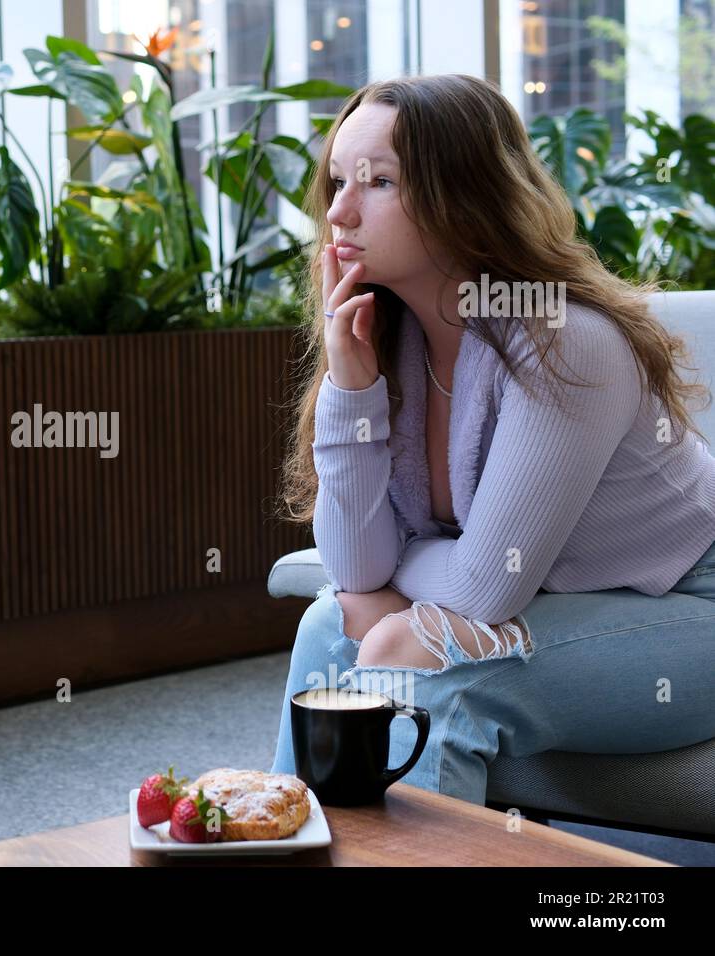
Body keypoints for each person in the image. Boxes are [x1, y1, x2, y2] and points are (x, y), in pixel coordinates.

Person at [268, 73, 715, 806]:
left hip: (694, 610)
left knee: (435, 663)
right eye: (338, 180)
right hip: (567, 604)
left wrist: (406, 579)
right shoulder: (393, 341)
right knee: (331, 624)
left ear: (464, 197)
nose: (340, 212)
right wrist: (351, 389)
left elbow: (486, 585)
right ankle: (297, 847)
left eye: (378, 182)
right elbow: (357, 573)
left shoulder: (564, 343)